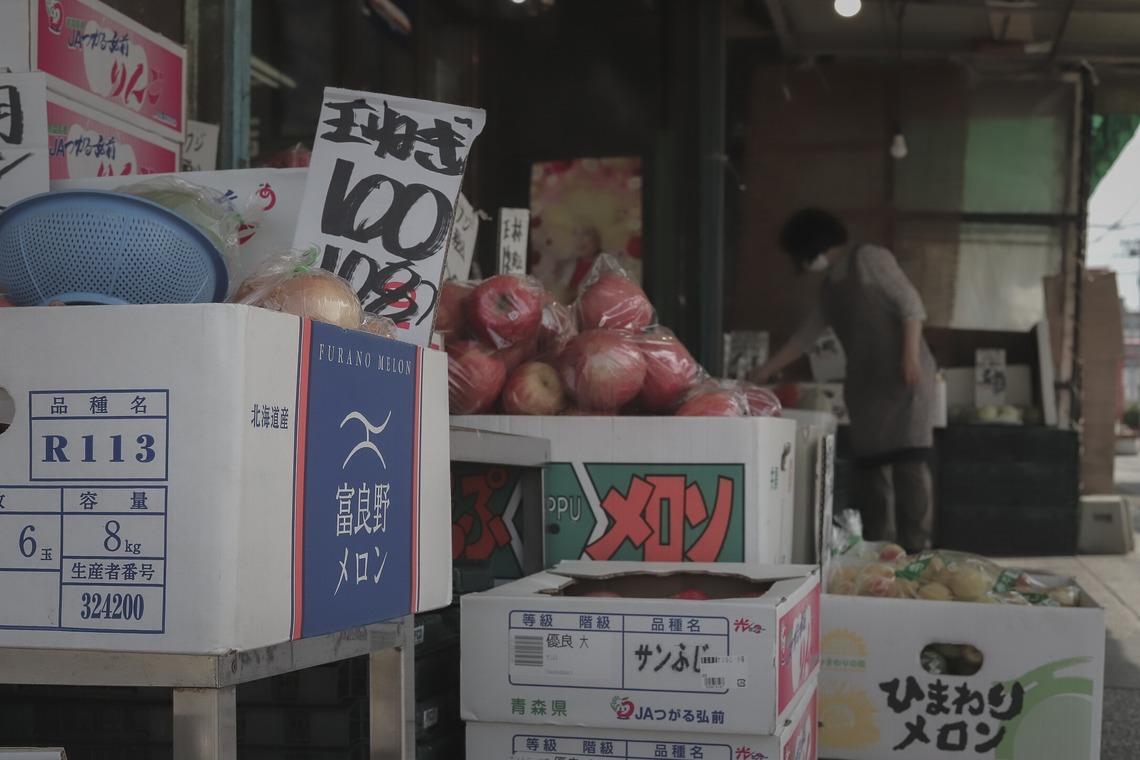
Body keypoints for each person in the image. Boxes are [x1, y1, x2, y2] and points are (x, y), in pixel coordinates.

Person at [753, 208, 937, 553]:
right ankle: (883, 550)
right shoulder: (830, 287)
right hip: (867, 384)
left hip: (903, 374)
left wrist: (910, 357)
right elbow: (806, 336)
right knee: (873, 472)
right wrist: (765, 371)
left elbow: (911, 306)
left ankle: (918, 549)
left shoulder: (868, 259)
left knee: (910, 464)